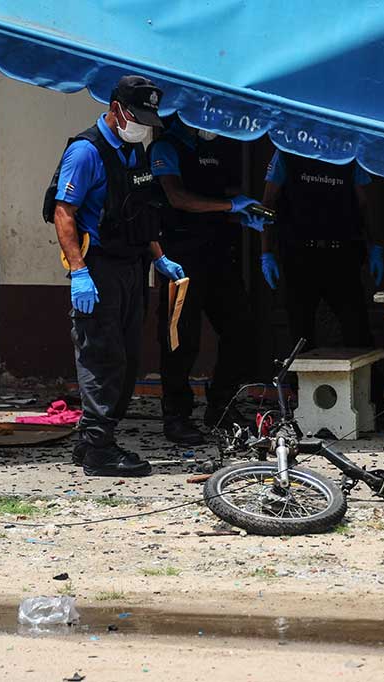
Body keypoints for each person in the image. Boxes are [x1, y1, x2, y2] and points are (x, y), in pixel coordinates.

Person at [51, 75, 185, 477]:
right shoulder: (85, 151)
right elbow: (63, 213)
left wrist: (160, 257)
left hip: (132, 266)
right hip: (98, 269)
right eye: (137, 117)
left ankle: (88, 441)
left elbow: (141, 211)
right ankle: (99, 450)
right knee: (101, 356)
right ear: (115, 109)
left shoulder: (133, 150)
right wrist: (79, 271)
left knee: (127, 358)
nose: (142, 126)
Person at [150, 116, 266, 445]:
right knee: (180, 340)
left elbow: (219, 194)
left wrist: (242, 211)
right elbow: (177, 197)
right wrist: (230, 205)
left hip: (218, 255)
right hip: (181, 259)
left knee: (241, 329)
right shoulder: (166, 147)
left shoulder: (216, 147)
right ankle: (176, 416)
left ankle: (221, 406)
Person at [258, 151, 384, 411]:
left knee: (357, 331)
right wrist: (266, 252)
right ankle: (301, 407)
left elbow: (365, 204)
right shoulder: (287, 152)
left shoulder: (347, 152)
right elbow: (268, 203)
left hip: (342, 256)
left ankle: (371, 403)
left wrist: (375, 246)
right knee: (300, 333)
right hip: (299, 256)